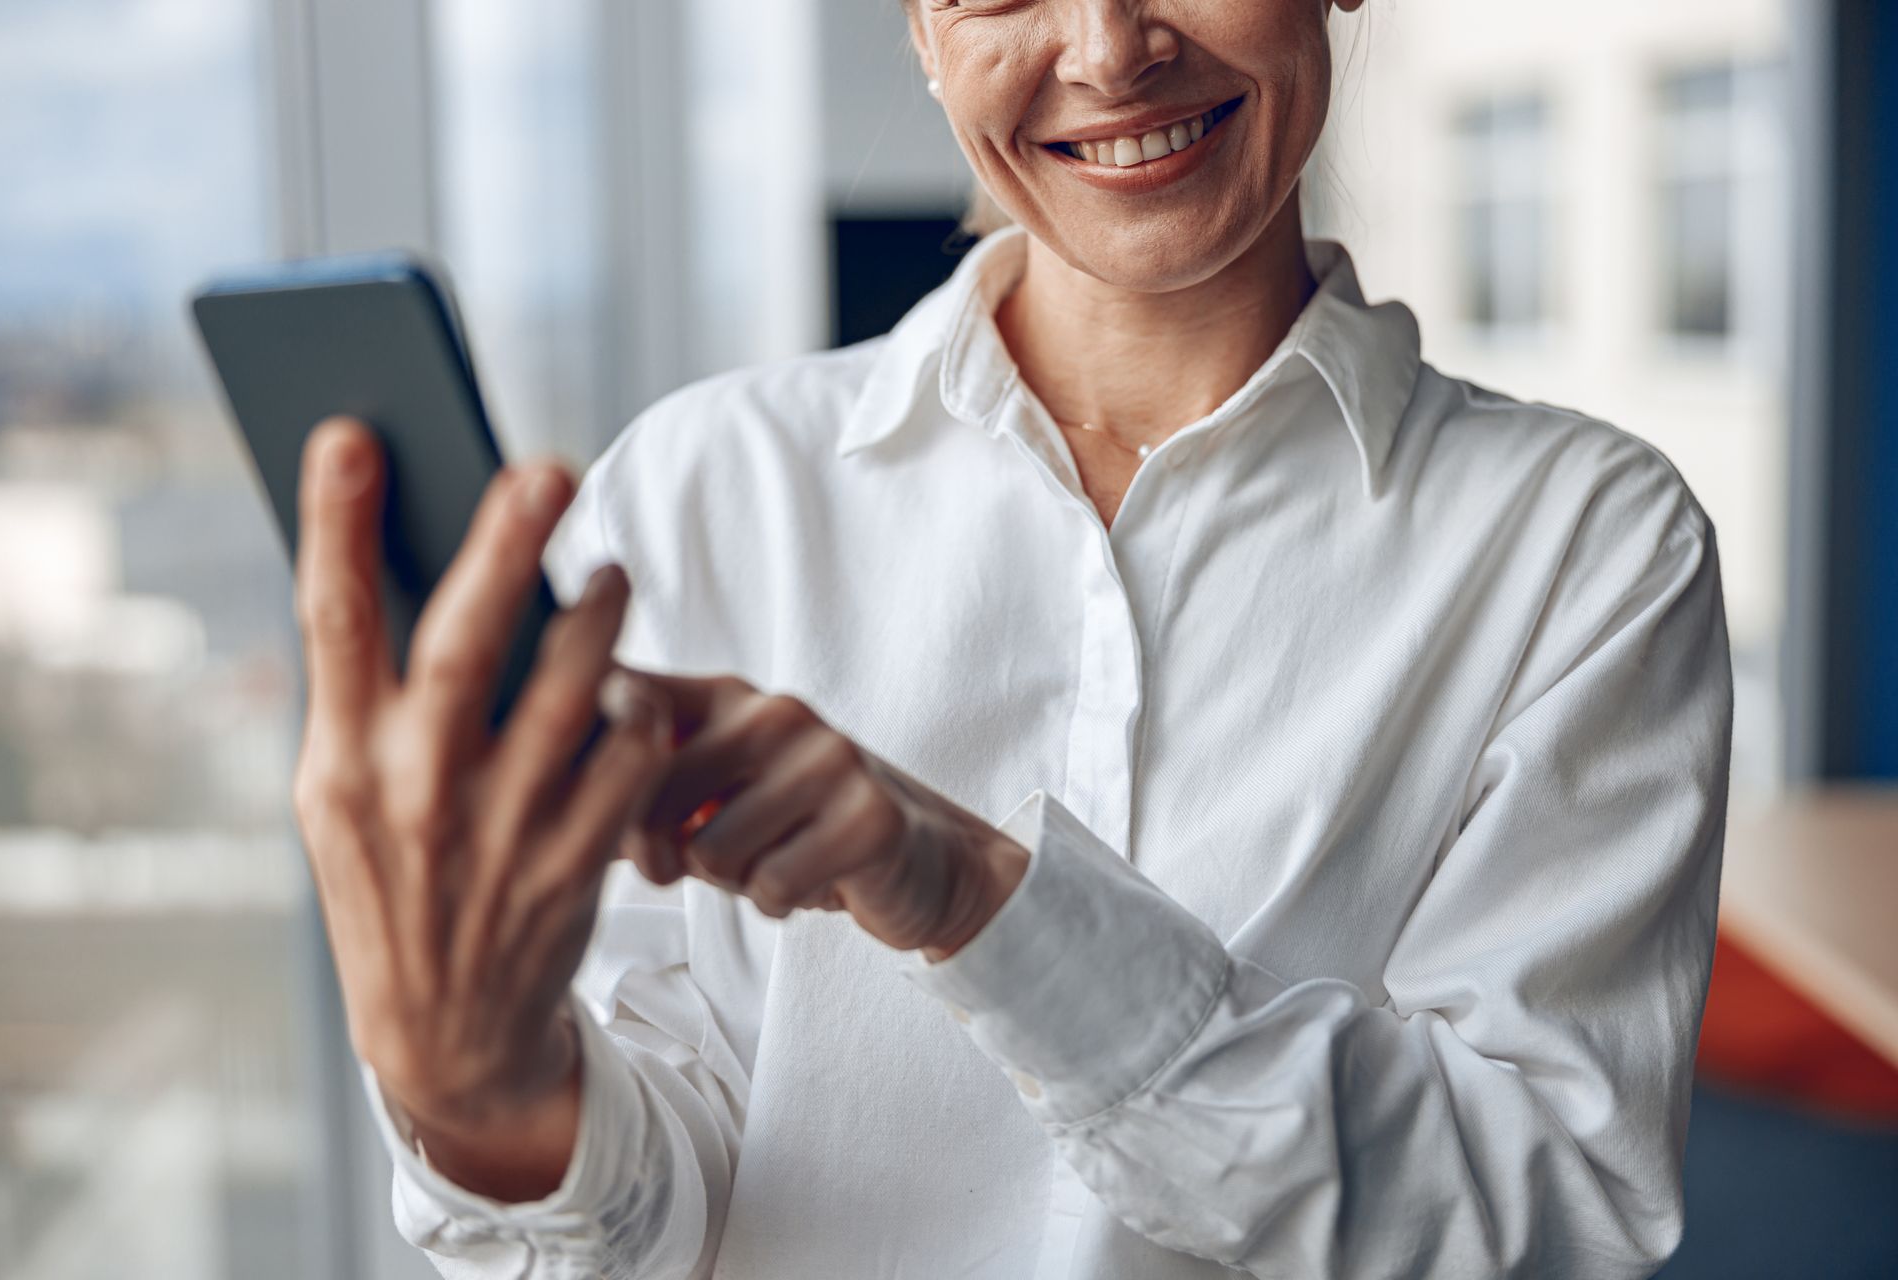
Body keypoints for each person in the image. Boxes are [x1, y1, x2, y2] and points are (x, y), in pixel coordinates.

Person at [289, 1, 1732, 1275]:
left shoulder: (1587, 548)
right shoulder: (694, 493)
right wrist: (487, 1106)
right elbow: (636, 1233)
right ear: (922, 32)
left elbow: (1548, 1221)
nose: (1109, 50)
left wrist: (972, 893)